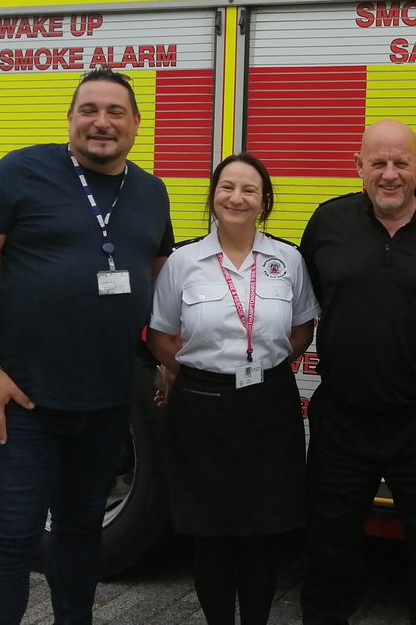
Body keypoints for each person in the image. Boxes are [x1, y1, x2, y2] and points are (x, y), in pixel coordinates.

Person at [0, 66, 174, 625]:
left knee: (78, 535)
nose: (102, 122)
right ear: (70, 119)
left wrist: (168, 361)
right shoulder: (22, 172)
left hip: (105, 405)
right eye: (89, 110)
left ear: (136, 124)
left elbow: (160, 279)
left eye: (116, 112)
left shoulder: (150, 191)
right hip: (23, 403)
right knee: (12, 537)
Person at [299, 119, 416, 625]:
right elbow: (308, 298)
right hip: (342, 415)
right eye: (377, 162)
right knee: (328, 548)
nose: (389, 174)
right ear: (357, 166)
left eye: (401, 162)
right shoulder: (327, 222)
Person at [147, 153, 319, 625]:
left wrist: (268, 364)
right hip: (202, 406)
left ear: (264, 202)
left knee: (263, 532)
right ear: (213, 196)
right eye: (227, 187)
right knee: (212, 532)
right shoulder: (184, 262)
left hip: (269, 405)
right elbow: (161, 336)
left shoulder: (288, 260)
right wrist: (185, 375)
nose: (236, 198)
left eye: (249, 190)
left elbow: (302, 329)